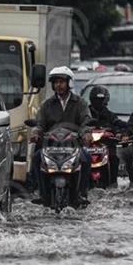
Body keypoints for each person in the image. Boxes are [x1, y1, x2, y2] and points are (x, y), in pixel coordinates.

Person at [31, 66, 91, 205]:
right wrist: (36, 133)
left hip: (73, 146)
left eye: (62, 82)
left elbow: (86, 122)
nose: (59, 85)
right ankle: (42, 193)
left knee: (86, 158)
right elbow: (40, 124)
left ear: (69, 83)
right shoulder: (46, 104)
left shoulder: (80, 103)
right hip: (51, 146)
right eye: (56, 82)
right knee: (35, 158)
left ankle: (82, 193)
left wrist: (86, 133)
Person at [88, 85, 126, 186]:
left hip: (107, 147)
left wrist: (120, 133)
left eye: (101, 100)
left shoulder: (110, 115)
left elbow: (119, 124)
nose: (99, 103)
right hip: (87, 146)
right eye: (96, 100)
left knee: (114, 159)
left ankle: (113, 183)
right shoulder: (85, 114)